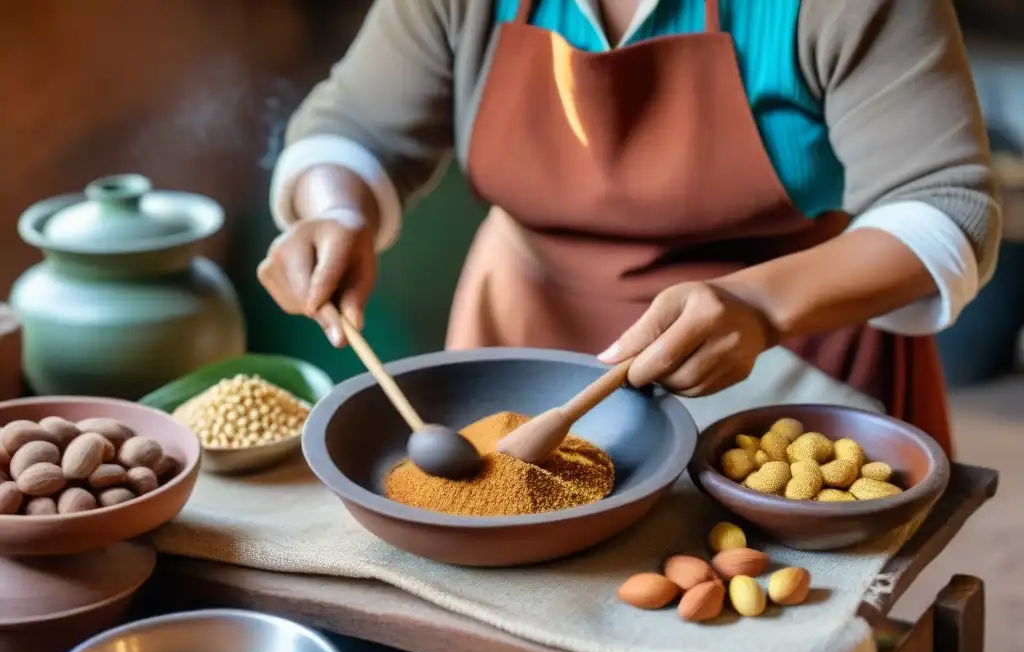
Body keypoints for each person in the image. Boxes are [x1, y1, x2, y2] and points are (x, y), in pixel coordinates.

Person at [259, 0, 1001, 455]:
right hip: (524, 338)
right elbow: (357, 127)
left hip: (789, 364)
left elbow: (946, 206)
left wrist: (762, 305)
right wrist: (336, 209)